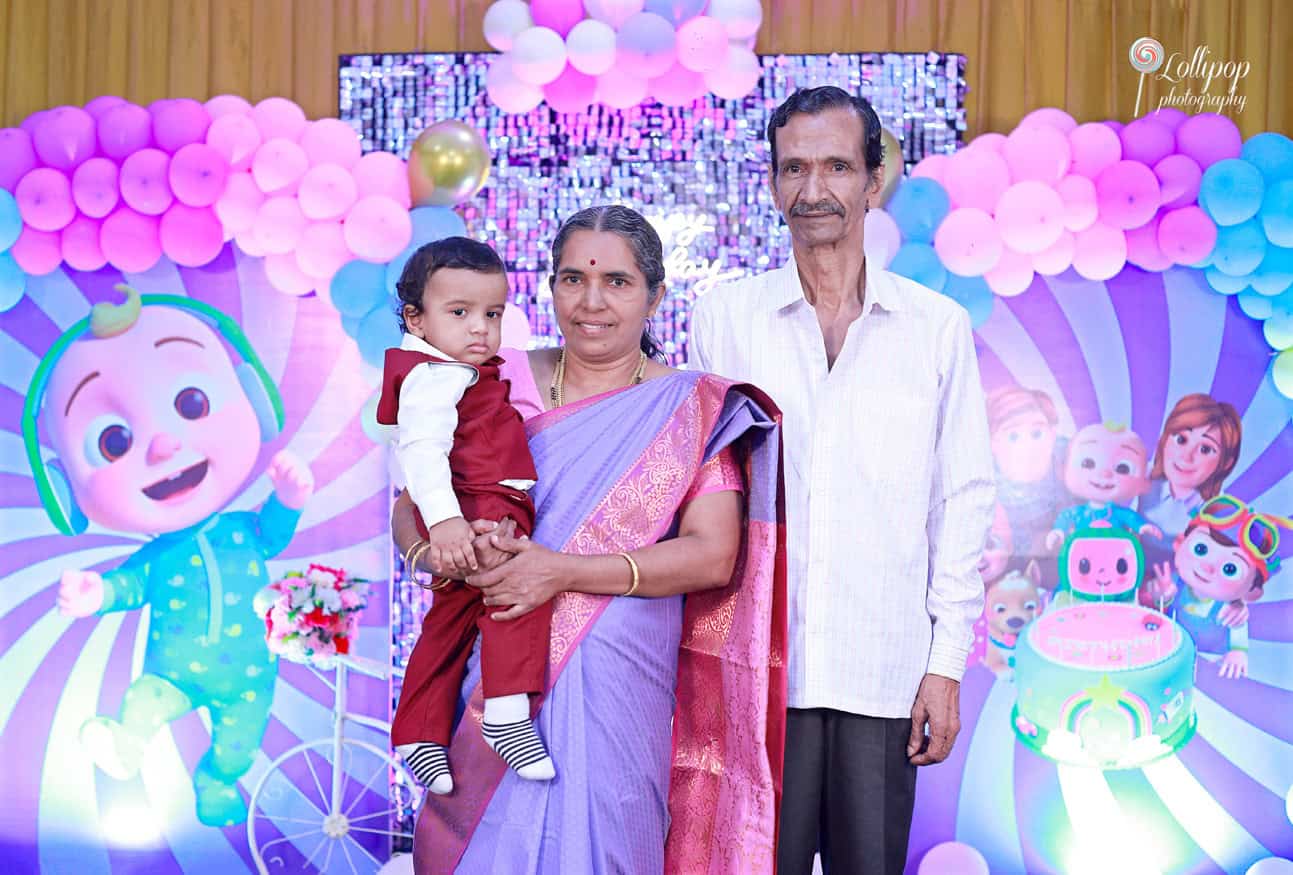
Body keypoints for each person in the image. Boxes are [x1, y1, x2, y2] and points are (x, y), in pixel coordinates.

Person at [392, 205, 788, 874]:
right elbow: (412, 503)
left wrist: (560, 570)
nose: (591, 302)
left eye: (618, 282)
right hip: (486, 673)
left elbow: (712, 552)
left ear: (655, 295)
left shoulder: (688, 407)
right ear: (549, 287)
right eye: (572, 279)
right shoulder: (493, 379)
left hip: (620, 684)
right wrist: (437, 554)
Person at [687, 86, 995, 875]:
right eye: (793, 168)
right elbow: (695, 486)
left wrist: (945, 663)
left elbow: (959, 499)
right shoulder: (724, 317)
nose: (813, 189)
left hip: (883, 666)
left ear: (873, 179)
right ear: (770, 183)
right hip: (755, 672)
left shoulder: (935, 328)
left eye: (834, 166)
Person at [376, 237, 553, 795]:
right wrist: (449, 525)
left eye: (492, 313)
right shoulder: (435, 375)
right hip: (472, 507)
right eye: (460, 313)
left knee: (448, 623)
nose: (480, 328)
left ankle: (417, 733)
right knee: (512, 594)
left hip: (476, 503)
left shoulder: (454, 367)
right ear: (416, 319)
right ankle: (505, 709)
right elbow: (421, 452)